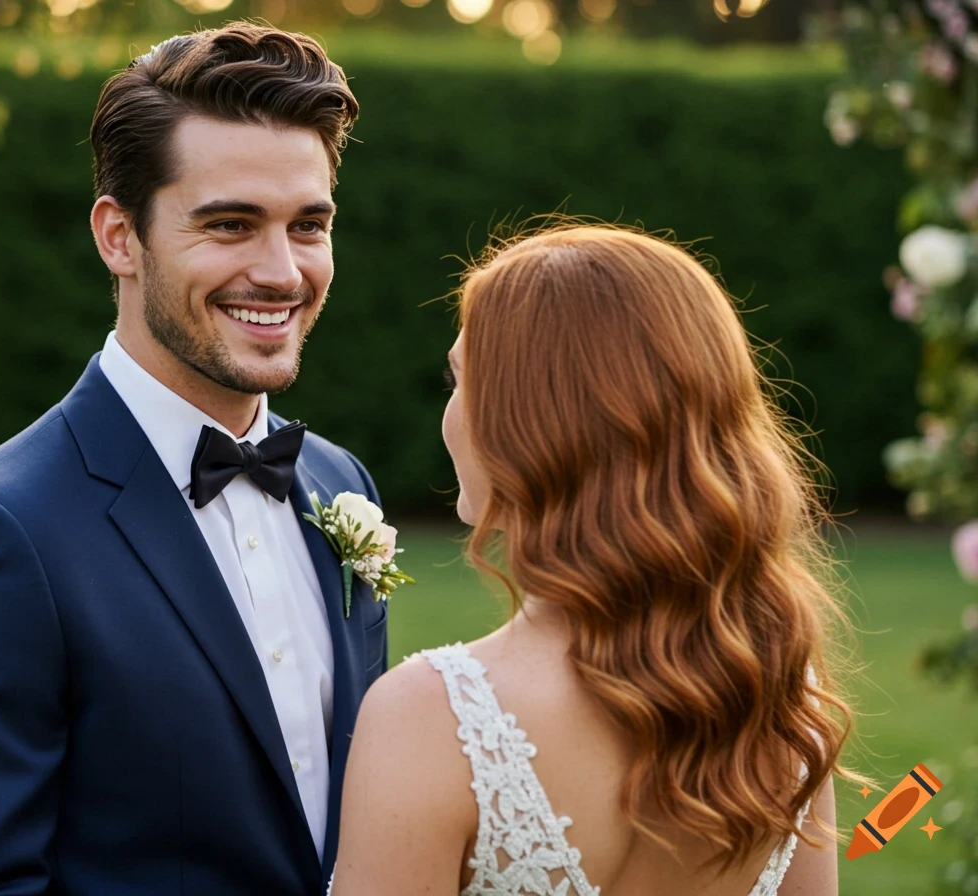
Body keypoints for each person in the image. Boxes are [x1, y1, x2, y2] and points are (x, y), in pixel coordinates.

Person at [0, 23, 386, 895]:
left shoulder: (338, 484)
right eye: (230, 225)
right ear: (119, 236)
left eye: (308, 225)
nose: (281, 271)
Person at [329, 224, 853, 896]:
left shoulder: (434, 717)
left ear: (533, 419)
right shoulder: (773, 688)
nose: (453, 413)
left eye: (460, 380)